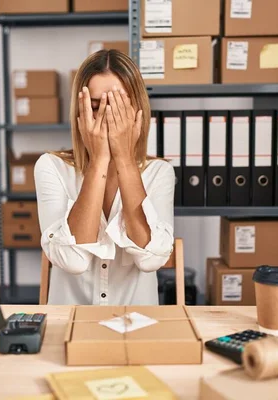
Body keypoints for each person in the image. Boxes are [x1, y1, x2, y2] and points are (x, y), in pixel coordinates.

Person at [34, 49, 175, 305]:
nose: (108, 119)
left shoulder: (160, 172)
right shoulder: (51, 167)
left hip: (136, 325)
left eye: (119, 108)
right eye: (97, 107)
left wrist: (124, 159)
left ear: (138, 112)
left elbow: (151, 259)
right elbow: (73, 260)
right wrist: (99, 160)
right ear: (80, 112)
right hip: (69, 323)